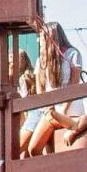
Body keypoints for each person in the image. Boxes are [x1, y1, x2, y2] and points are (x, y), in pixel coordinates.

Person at [21, 23, 83, 156]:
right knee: (33, 149)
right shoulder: (41, 60)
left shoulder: (72, 54)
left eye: (42, 37)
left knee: (65, 149)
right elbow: (40, 88)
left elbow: (74, 85)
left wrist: (64, 110)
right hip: (50, 110)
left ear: (52, 36)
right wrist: (48, 107)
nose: (39, 40)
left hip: (70, 108)